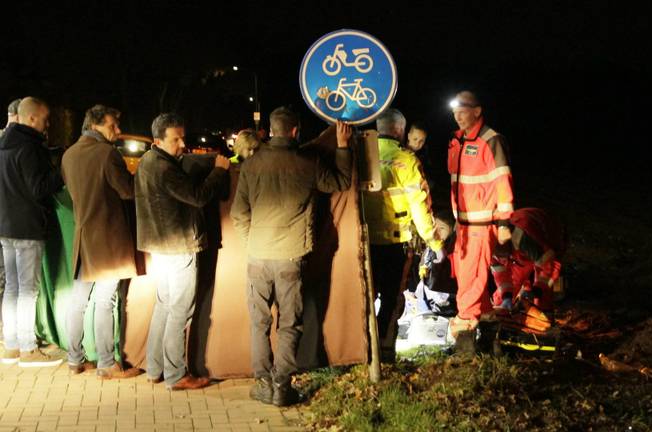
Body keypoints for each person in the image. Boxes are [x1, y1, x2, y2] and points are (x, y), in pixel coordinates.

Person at [230, 107, 353, 407]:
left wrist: (253, 243)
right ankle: (282, 386)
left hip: (258, 256)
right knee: (289, 323)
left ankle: (262, 383)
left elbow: (238, 214)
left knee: (259, 322)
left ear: (270, 131)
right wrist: (342, 146)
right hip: (290, 257)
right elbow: (340, 182)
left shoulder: (252, 164)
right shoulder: (308, 162)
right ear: (295, 131)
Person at [135, 113, 230, 390]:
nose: (182, 145)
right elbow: (198, 197)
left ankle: (155, 368)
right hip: (178, 246)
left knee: (165, 306)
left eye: (182, 137)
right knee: (180, 310)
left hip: (160, 245)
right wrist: (219, 170)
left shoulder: (148, 162)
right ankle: (176, 375)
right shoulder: (165, 168)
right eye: (175, 139)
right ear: (158, 141)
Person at [61, 105, 142, 378]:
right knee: (105, 301)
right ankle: (107, 363)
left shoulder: (69, 154)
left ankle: (75, 360)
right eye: (112, 126)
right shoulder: (107, 154)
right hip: (107, 237)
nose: (117, 132)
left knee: (79, 300)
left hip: (83, 236)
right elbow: (127, 191)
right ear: (95, 125)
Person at [364, 109, 444, 362]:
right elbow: (420, 207)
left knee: (365, 296)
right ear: (400, 130)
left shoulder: (361, 154)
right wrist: (434, 242)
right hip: (394, 242)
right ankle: (385, 353)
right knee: (391, 299)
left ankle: (363, 350)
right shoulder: (406, 160)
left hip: (362, 242)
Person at [447, 91, 514, 354]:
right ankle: (488, 341)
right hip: (463, 225)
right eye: (454, 111)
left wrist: (504, 222)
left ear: (477, 111)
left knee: (470, 283)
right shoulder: (457, 141)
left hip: (480, 224)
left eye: (462, 109)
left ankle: (464, 349)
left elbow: (502, 181)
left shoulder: (490, 140)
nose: (458, 115)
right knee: (473, 282)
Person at [0, 97, 64, 366]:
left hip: (6, 225)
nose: (48, 124)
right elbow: (39, 189)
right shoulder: (30, 147)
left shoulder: (4, 144)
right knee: (28, 290)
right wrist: (60, 172)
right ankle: (28, 349)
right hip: (28, 227)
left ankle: (11, 345)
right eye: (46, 118)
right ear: (33, 118)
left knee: (12, 288)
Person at [490, 208, 566, 332]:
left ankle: (546, 327)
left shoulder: (524, 239)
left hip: (548, 232)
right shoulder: (488, 248)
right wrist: (507, 296)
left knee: (542, 297)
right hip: (518, 252)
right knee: (501, 299)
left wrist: (537, 290)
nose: (498, 258)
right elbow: (501, 275)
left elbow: (549, 266)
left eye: (500, 254)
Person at [0, 98, 21, 342]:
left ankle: (8, 331)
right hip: (10, 218)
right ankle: (10, 332)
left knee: (8, 280)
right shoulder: (13, 143)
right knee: (10, 280)